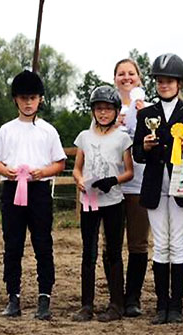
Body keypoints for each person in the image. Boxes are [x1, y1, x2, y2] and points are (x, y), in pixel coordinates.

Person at [133, 53, 183, 325]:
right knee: (160, 244)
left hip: (181, 184)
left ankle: (176, 305)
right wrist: (146, 147)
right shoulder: (146, 115)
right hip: (155, 184)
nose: (164, 85)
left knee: (178, 243)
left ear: (180, 83)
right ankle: (161, 305)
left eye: (169, 81)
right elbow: (138, 152)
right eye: (160, 81)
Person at [0, 70, 67, 320]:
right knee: (12, 244)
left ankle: (44, 296)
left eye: (32, 97)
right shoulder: (6, 130)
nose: (28, 102)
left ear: (40, 100)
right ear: (15, 99)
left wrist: (42, 172)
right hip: (12, 189)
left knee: (42, 244)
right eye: (23, 98)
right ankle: (13, 296)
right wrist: (7, 171)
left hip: (39, 190)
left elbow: (59, 163)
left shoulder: (48, 131)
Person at [72, 86, 134, 322]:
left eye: (108, 109)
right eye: (99, 109)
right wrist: (79, 180)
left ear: (116, 111)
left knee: (114, 251)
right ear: (93, 111)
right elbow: (78, 167)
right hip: (89, 199)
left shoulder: (122, 138)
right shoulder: (84, 137)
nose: (103, 113)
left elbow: (129, 172)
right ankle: (86, 304)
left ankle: (116, 303)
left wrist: (113, 180)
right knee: (88, 252)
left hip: (113, 200)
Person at [114, 58, 152, 317]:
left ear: (139, 78)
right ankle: (116, 297)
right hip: (113, 186)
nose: (126, 78)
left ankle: (133, 298)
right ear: (114, 78)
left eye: (131, 73)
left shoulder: (149, 109)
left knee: (138, 244)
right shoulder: (105, 109)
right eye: (121, 74)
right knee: (112, 244)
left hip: (139, 184)